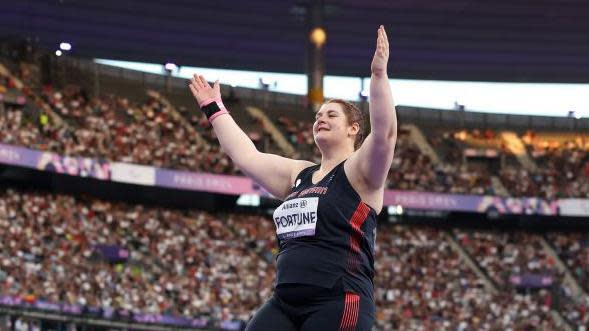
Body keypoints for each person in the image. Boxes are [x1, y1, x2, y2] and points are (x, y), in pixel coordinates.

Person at [189, 25, 397, 331]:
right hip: (285, 302)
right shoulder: (300, 173)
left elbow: (385, 134)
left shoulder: (359, 173)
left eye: (331, 115)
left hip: (339, 300)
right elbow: (247, 156)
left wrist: (378, 76)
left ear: (353, 129)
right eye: (317, 116)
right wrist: (214, 108)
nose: (320, 119)